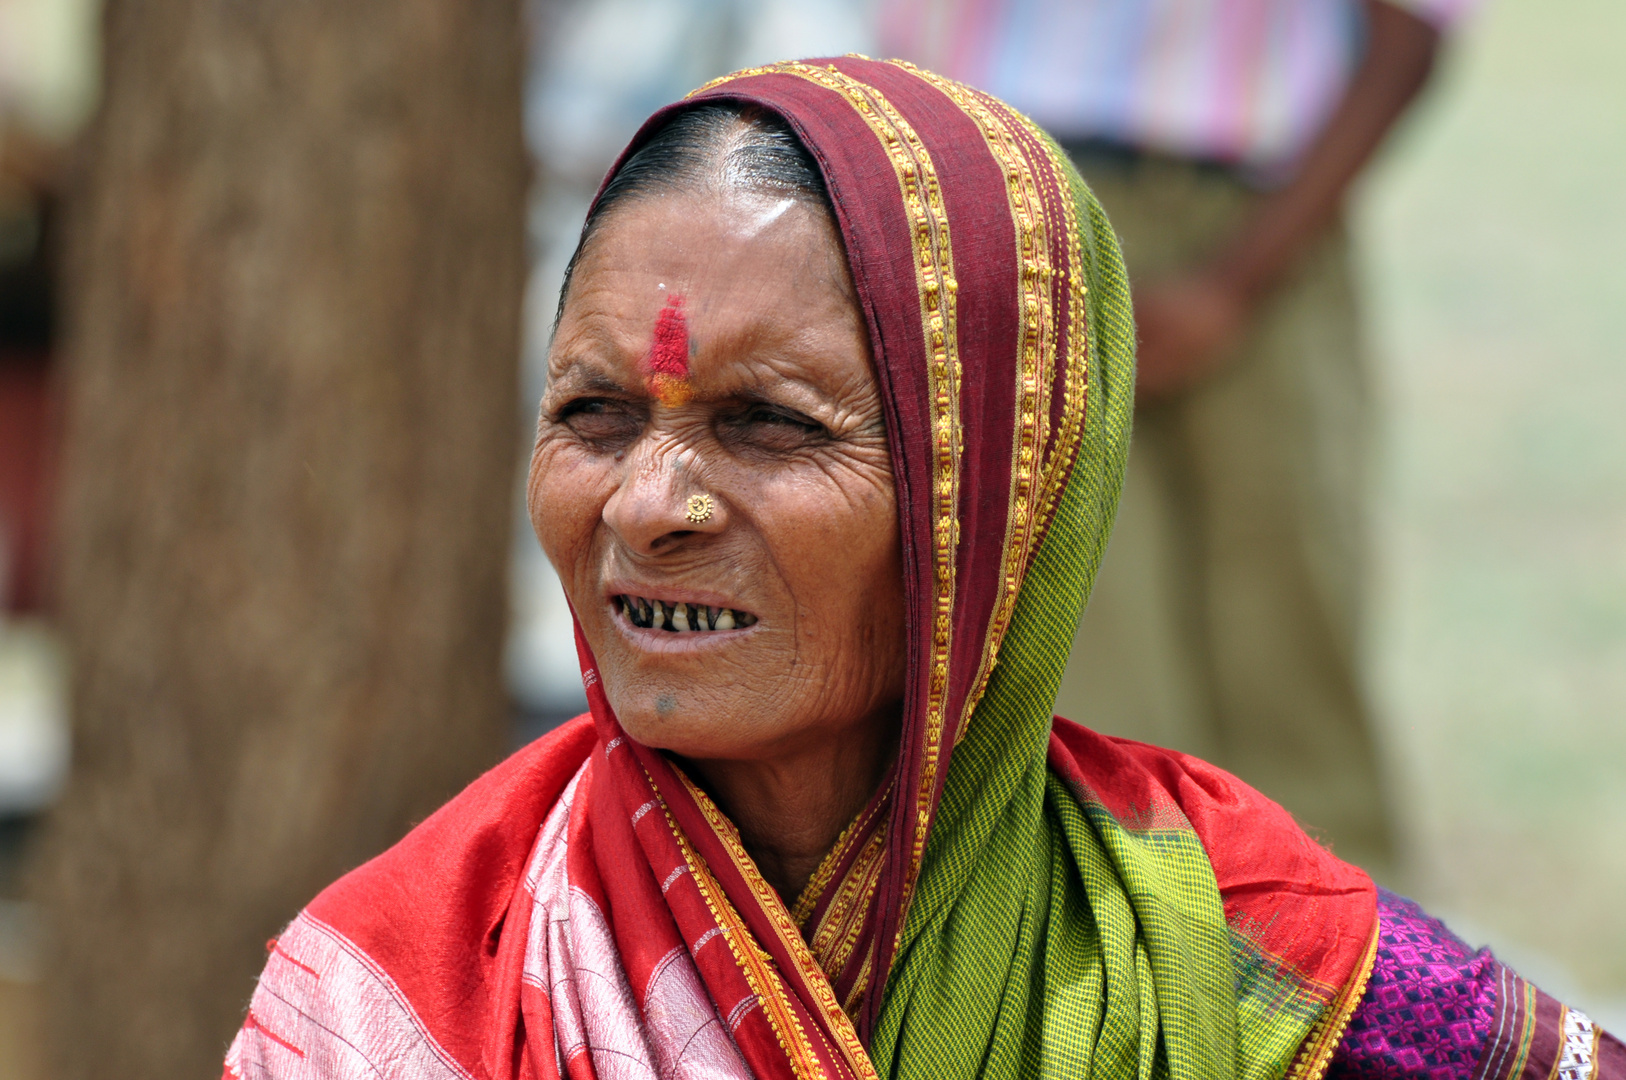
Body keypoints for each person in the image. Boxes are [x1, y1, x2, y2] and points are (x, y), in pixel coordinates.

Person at [224, 60, 1619, 1080]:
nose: (645, 506)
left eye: (765, 425)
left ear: (995, 500)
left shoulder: (1229, 939)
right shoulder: (413, 985)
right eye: (592, 416)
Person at [878, 0, 1473, 877]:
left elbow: (1414, 30)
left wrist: (1236, 280)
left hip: (1259, 208)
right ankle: (1139, 967)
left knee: (1288, 617)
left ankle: (1360, 980)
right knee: (1081, 650)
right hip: (1012, 206)